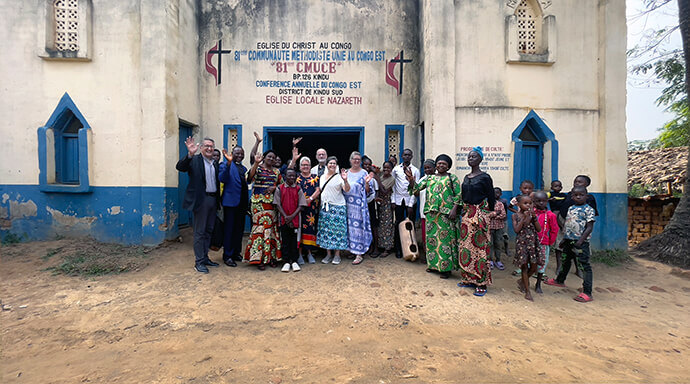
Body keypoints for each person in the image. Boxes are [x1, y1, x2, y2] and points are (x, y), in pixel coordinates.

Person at [407, 154, 461, 279]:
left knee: (445, 242)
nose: (441, 165)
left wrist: (454, 210)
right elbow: (416, 190)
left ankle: (445, 269)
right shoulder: (429, 178)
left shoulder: (452, 178)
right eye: (439, 163)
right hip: (431, 214)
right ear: (436, 165)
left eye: (444, 164)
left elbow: (458, 195)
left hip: (446, 215)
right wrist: (411, 181)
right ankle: (433, 265)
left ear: (448, 166)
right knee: (432, 240)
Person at [176, 137, 221, 274]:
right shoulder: (194, 160)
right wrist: (189, 154)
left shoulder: (215, 163)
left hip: (213, 200)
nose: (209, 148)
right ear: (201, 147)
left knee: (209, 231)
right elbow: (180, 167)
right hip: (201, 201)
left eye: (211, 146)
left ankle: (205, 257)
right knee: (199, 232)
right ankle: (199, 262)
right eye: (206, 146)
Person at [545, 186, 596, 303]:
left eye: (581, 195)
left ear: (586, 196)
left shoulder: (589, 210)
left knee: (584, 266)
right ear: (572, 196)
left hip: (581, 243)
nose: (578, 197)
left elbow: (589, 227)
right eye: (575, 195)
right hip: (568, 240)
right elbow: (568, 225)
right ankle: (560, 281)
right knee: (565, 261)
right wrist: (564, 239)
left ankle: (587, 292)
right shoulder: (571, 208)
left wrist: (580, 240)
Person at [458, 146, 495, 296]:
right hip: (467, 215)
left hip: (480, 214)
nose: (470, 159)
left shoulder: (485, 177)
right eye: (469, 157)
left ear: (480, 159)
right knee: (466, 247)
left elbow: (491, 196)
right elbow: (463, 196)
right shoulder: (466, 177)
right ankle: (468, 278)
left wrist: (489, 213)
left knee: (480, 249)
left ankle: (481, 283)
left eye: (473, 157)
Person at [245, 139, 282, 270]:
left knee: (271, 230)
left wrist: (275, 187)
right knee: (260, 229)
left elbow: (282, 185)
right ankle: (258, 258)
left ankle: (271, 257)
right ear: (264, 158)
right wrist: (256, 162)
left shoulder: (277, 172)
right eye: (269, 157)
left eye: (273, 157)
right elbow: (249, 178)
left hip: (272, 204)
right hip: (258, 204)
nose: (271, 159)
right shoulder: (258, 168)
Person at [555, 175, 598, 276]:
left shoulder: (589, 198)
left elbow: (591, 217)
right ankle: (559, 266)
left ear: (587, 184)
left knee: (578, 249)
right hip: (565, 223)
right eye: (575, 181)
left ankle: (579, 269)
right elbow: (560, 209)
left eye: (580, 182)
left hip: (580, 228)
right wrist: (561, 224)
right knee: (560, 246)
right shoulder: (569, 195)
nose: (576, 183)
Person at [218, 146, 249, 267]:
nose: (240, 156)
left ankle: (236, 252)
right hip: (230, 203)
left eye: (242, 154)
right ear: (232, 154)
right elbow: (222, 178)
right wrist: (229, 163)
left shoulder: (244, 168)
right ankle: (227, 255)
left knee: (239, 230)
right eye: (237, 153)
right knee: (229, 230)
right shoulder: (225, 165)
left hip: (242, 204)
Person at [317, 156, 351, 264]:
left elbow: (347, 189)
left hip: (338, 207)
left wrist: (345, 180)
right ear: (327, 165)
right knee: (326, 231)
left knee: (338, 232)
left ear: (336, 165)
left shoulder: (339, 177)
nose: (332, 165)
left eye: (334, 163)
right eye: (330, 163)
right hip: (325, 208)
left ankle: (337, 255)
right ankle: (328, 255)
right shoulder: (322, 177)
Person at [344, 151, 375, 265]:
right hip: (348, 205)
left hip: (359, 206)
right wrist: (345, 180)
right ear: (350, 160)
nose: (356, 161)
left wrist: (367, 183)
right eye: (354, 159)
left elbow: (368, 191)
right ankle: (352, 250)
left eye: (358, 159)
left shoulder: (364, 172)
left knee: (358, 229)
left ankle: (359, 253)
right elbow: (344, 189)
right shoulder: (346, 172)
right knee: (350, 229)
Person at [275, 168, 308, 272]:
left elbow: (301, 205)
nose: (291, 178)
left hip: (295, 220)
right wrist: (285, 216)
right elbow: (277, 204)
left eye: (293, 176)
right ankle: (285, 261)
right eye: (289, 175)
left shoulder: (298, 189)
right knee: (284, 240)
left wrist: (291, 217)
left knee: (294, 241)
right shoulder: (279, 188)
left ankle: (294, 261)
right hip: (283, 219)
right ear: (285, 176)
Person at [512, 194, 543, 301]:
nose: (528, 205)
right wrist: (524, 218)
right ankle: (527, 290)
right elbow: (516, 230)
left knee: (534, 267)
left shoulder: (532, 216)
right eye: (525, 203)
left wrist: (534, 219)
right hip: (522, 244)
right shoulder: (515, 215)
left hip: (533, 243)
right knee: (524, 266)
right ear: (519, 205)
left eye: (530, 203)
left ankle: (522, 280)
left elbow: (539, 229)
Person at [391, 149, 420, 258]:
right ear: (401, 156)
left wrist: (411, 204)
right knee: (398, 223)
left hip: (410, 201)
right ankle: (398, 249)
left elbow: (415, 187)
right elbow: (393, 185)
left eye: (409, 155)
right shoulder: (396, 169)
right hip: (398, 200)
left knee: (410, 225)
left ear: (411, 156)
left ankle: (410, 249)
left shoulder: (415, 170)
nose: (406, 157)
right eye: (405, 155)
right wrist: (393, 200)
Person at [296, 156, 321, 264]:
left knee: (310, 229)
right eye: (303, 165)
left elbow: (318, 190)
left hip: (311, 208)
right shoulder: (296, 177)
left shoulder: (315, 177)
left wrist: (310, 199)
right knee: (300, 230)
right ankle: (300, 254)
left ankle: (309, 253)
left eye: (307, 165)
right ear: (300, 167)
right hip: (299, 208)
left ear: (310, 166)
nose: (305, 167)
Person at [533, 190, 559, 292]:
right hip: (530, 243)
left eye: (544, 201)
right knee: (529, 262)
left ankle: (538, 283)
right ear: (534, 201)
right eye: (538, 201)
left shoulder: (550, 215)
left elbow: (554, 230)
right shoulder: (531, 213)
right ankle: (524, 281)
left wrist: (550, 242)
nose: (541, 203)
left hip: (543, 243)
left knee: (542, 264)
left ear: (547, 201)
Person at [509, 180, 535, 276]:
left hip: (531, 220)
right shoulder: (517, 198)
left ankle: (532, 267)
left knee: (532, 247)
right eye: (525, 188)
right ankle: (521, 267)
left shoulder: (533, 198)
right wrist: (517, 213)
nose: (527, 190)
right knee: (522, 246)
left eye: (530, 188)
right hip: (521, 221)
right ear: (520, 188)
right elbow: (509, 206)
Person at [417, 159, 436, 260]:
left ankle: (434, 257)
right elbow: (415, 191)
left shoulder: (438, 179)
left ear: (435, 168)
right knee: (426, 236)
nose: (427, 170)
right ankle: (426, 255)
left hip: (436, 214)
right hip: (424, 213)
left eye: (429, 167)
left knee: (434, 236)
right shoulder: (422, 180)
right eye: (425, 168)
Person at [376, 161, 395, 257]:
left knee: (387, 225)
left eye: (388, 168)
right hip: (378, 203)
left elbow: (383, 191)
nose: (386, 170)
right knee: (380, 225)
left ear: (391, 169)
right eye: (385, 168)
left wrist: (377, 179)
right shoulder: (381, 176)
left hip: (386, 203)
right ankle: (381, 246)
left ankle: (387, 248)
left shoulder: (392, 179)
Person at [362, 156, 380, 257]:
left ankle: (376, 248)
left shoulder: (373, 178)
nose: (367, 166)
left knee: (373, 225)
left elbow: (377, 191)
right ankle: (367, 247)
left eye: (369, 164)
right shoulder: (360, 177)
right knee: (364, 226)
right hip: (362, 204)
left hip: (371, 203)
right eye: (365, 164)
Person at [488, 188, 507, 271]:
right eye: (494, 193)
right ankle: (490, 260)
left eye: (498, 193)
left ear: (501, 194)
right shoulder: (487, 204)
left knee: (498, 243)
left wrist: (493, 215)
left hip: (499, 228)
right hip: (490, 228)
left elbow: (503, 215)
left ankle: (498, 260)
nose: (496, 195)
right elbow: (486, 215)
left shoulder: (500, 204)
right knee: (490, 244)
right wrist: (496, 213)